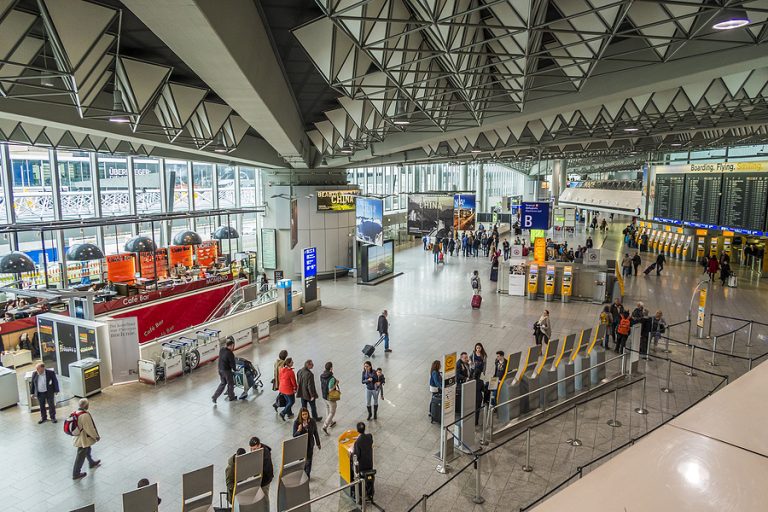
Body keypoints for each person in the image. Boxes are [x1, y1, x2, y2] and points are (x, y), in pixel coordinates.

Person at [72, 398, 101, 480]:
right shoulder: (84, 415)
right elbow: (89, 428)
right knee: (80, 456)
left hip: (79, 437)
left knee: (87, 449)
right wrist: (96, 436)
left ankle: (91, 462)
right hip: (83, 439)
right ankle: (76, 473)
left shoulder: (76, 412)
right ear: (86, 406)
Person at [292, 407, 321, 477]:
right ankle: (303, 472)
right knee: (302, 461)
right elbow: (294, 435)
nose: (305, 416)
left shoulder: (312, 421)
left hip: (310, 444)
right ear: (300, 415)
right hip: (301, 445)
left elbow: (315, 433)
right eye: (303, 414)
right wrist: (299, 430)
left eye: (306, 414)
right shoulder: (297, 422)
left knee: (309, 461)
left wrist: (318, 443)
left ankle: (307, 475)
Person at [353, 422, 375, 499]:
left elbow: (357, 455)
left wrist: (350, 455)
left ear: (357, 430)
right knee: (369, 477)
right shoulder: (369, 437)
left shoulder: (357, 442)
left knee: (355, 471)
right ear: (365, 429)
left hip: (362, 466)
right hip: (369, 463)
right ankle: (370, 492)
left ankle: (359, 493)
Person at [212, 339, 237, 403]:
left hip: (220, 369)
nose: (233, 347)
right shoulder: (230, 353)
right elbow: (232, 364)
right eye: (233, 346)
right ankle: (231, 397)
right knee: (230, 383)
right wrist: (235, 369)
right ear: (231, 345)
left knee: (223, 383)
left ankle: (215, 397)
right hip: (226, 371)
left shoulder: (222, 350)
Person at [320, 362, 339, 435]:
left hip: (324, 395)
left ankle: (330, 422)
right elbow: (330, 389)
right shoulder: (331, 378)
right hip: (330, 397)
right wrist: (336, 383)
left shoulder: (322, 375)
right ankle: (325, 426)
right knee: (332, 412)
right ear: (331, 368)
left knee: (327, 407)